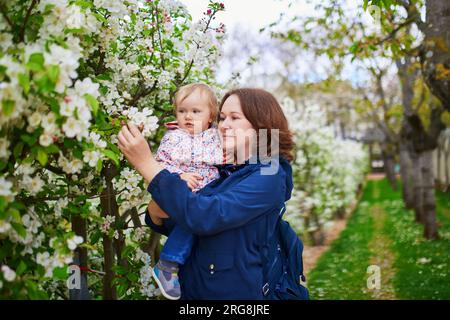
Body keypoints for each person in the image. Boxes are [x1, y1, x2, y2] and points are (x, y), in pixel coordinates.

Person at [118, 88, 295, 299]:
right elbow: (169, 219)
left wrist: (146, 163)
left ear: (260, 125)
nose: (224, 125)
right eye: (222, 118)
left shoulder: (270, 174)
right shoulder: (220, 170)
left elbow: (204, 216)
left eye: (234, 118)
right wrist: (158, 208)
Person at [150, 83, 223, 300]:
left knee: (200, 223)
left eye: (195, 111)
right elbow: (160, 163)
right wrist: (179, 176)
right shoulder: (174, 137)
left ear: (211, 116)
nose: (187, 116)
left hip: (209, 192)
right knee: (192, 219)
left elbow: (229, 157)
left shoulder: (216, 136)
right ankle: (168, 263)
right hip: (184, 192)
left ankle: (179, 268)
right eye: (182, 111)